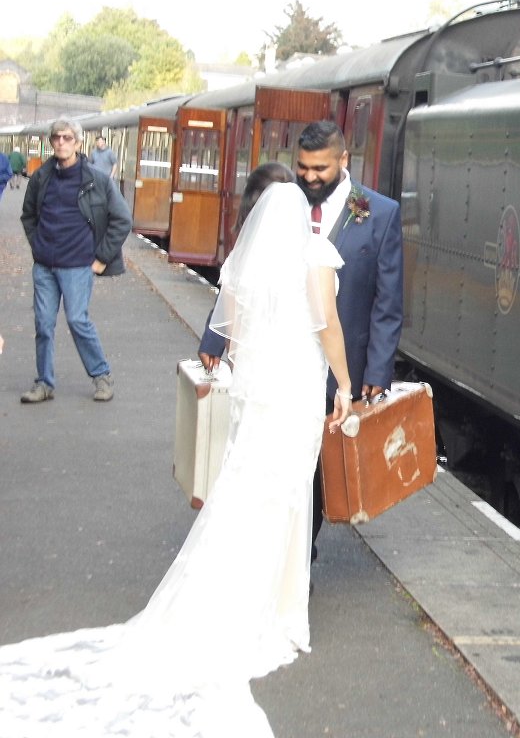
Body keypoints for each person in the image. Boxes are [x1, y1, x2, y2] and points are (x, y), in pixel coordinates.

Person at [0, 181, 353, 736]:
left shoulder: (247, 262)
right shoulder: (315, 256)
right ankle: (276, 610)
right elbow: (327, 326)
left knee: (243, 494)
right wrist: (346, 382)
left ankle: (240, 604)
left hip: (260, 397)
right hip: (297, 393)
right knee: (283, 499)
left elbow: (231, 333)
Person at [199, 120, 403, 561]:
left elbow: (387, 302)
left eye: (321, 169)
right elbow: (241, 277)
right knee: (288, 471)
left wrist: (377, 372)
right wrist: (214, 341)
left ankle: (286, 558)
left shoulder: (379, 213)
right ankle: (294, 562)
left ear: (344, 161)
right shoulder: (280, 204)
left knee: (311, 472)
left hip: (339, 362)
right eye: (303, 167)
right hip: (284, 367)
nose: (310, 177)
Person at [19, 118, 131, 403]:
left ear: (79, 143)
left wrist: (102, 258)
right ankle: (44, 383)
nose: (61, 142)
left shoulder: (97, 180)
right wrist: (37, 245)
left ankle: (102, 376)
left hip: (78, 265)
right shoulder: (42, 177)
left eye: (67, 138)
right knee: (43, 324)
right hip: (45, 265)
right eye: (56, 137)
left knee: (77, 320)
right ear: (51, 142)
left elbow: (122, 219)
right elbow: (28, 215)